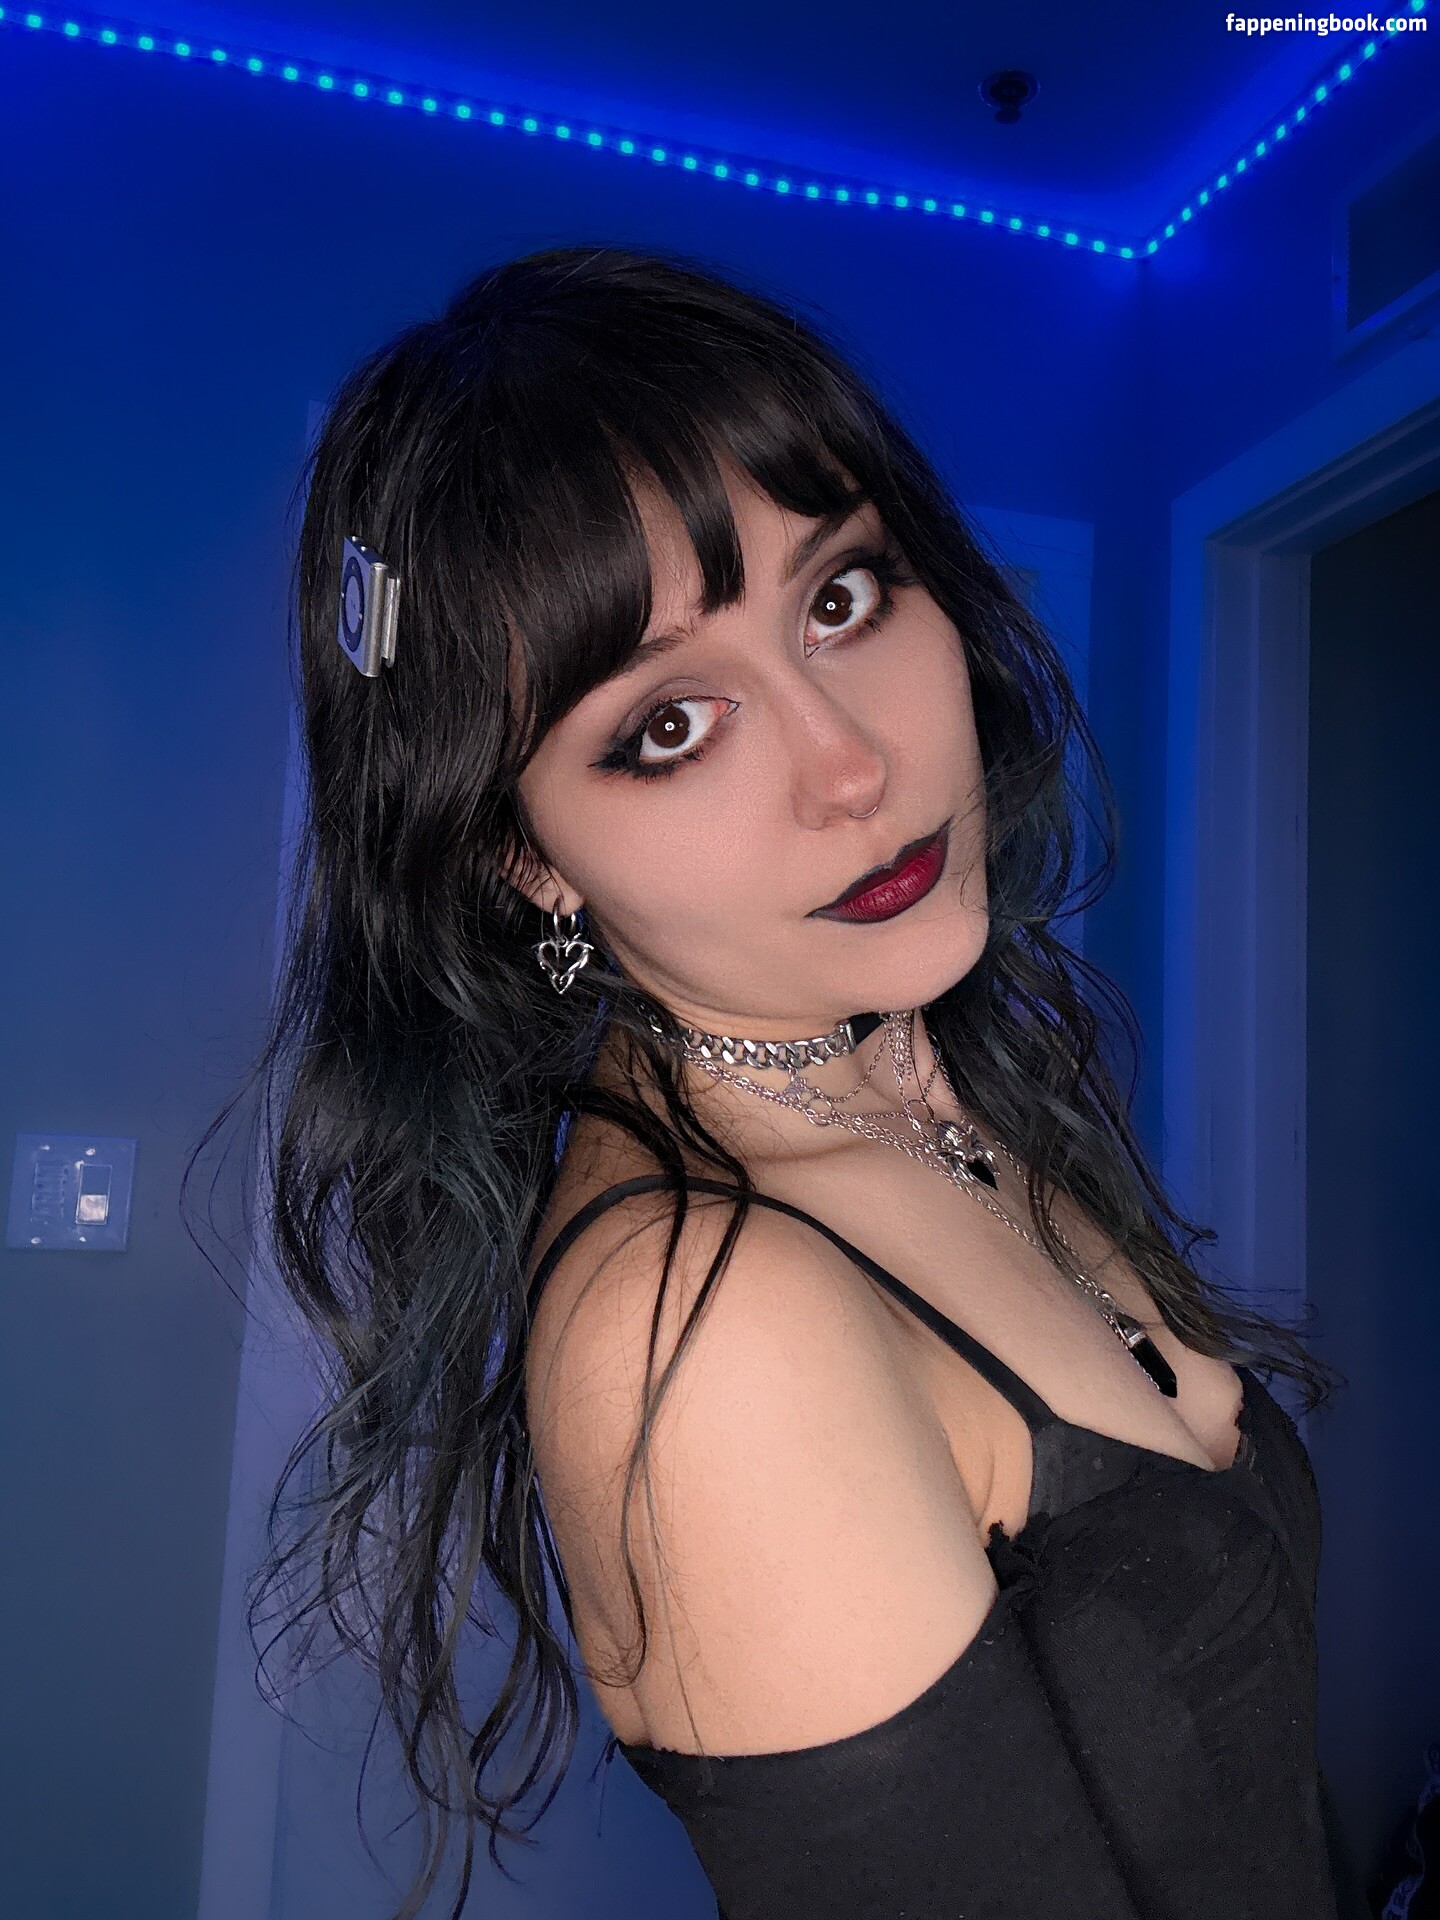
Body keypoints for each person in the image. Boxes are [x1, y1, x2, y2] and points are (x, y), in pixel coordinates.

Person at [225, 243, 1354, 1920]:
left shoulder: (918, 1089)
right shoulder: (706, 1328)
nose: (853, 765)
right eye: (669, 727)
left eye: (841, 599)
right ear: (525, 857)